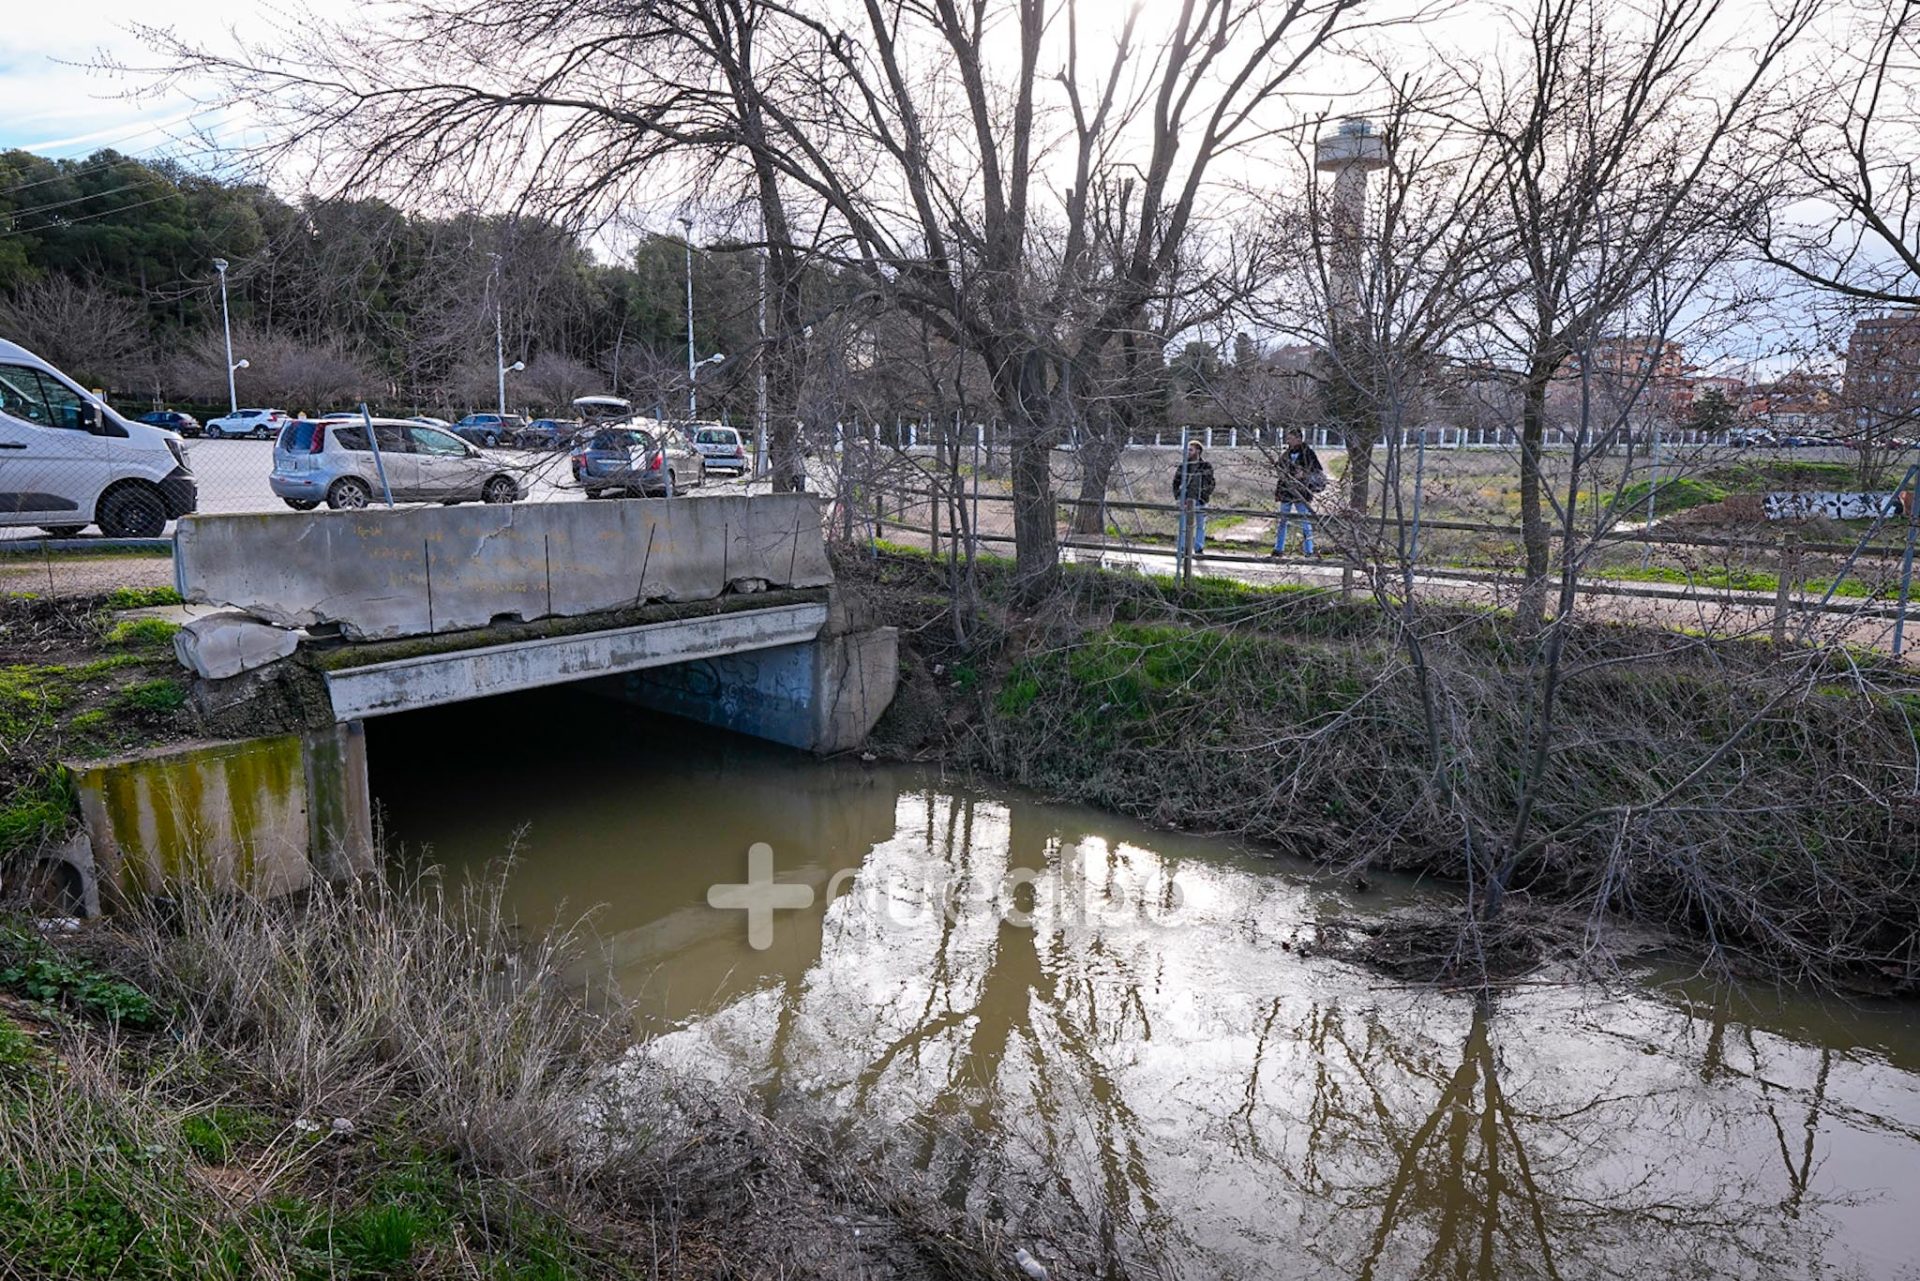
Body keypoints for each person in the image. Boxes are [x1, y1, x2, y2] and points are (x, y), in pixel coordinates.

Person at [1270, 428, 1322, 557]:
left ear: (1298, 439)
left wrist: (1304, 474)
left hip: (1302, 492)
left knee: (1305, 521)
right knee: (1283, 520)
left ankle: (1309, 550)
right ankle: (1279, 549)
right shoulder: (1286, 454)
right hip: (1286, 491)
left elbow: (1317, 471)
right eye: (1287, 438)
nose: (1288, 441)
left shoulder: (1308, 454)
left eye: (1290, 438)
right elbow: (1280, 469)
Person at [1172, 439, 1216, 555]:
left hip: (1200, 500)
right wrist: (1178, 497)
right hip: (1186, 500)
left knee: (1201, 525)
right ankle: (1182, 548)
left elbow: (1211, 483)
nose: (1188, 452)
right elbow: (1175, 482)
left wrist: (1205, 495)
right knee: (1183, 526)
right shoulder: (1183, 466)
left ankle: (1198, 548)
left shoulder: (1206, 466)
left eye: (1191, 450)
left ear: (1198, 451)